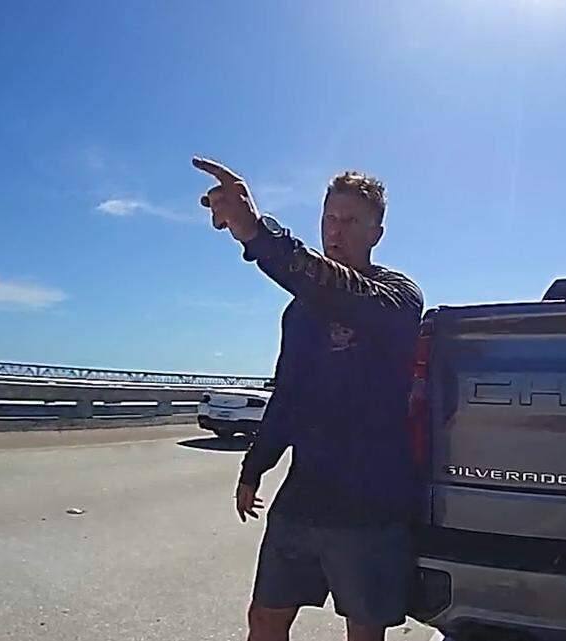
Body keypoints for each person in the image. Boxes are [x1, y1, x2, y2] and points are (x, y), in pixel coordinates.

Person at [194, 157, 424, 641]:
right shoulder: (299, 313)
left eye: (350, 221)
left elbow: (337, 287)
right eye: (329, 219)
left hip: (370, 501)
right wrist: (254, 467)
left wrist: (257, 233)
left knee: (363, 630)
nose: (335, 231)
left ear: (376, 233)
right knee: (264, 616)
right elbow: (288, 397)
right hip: (304, 494)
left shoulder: (398, 297)